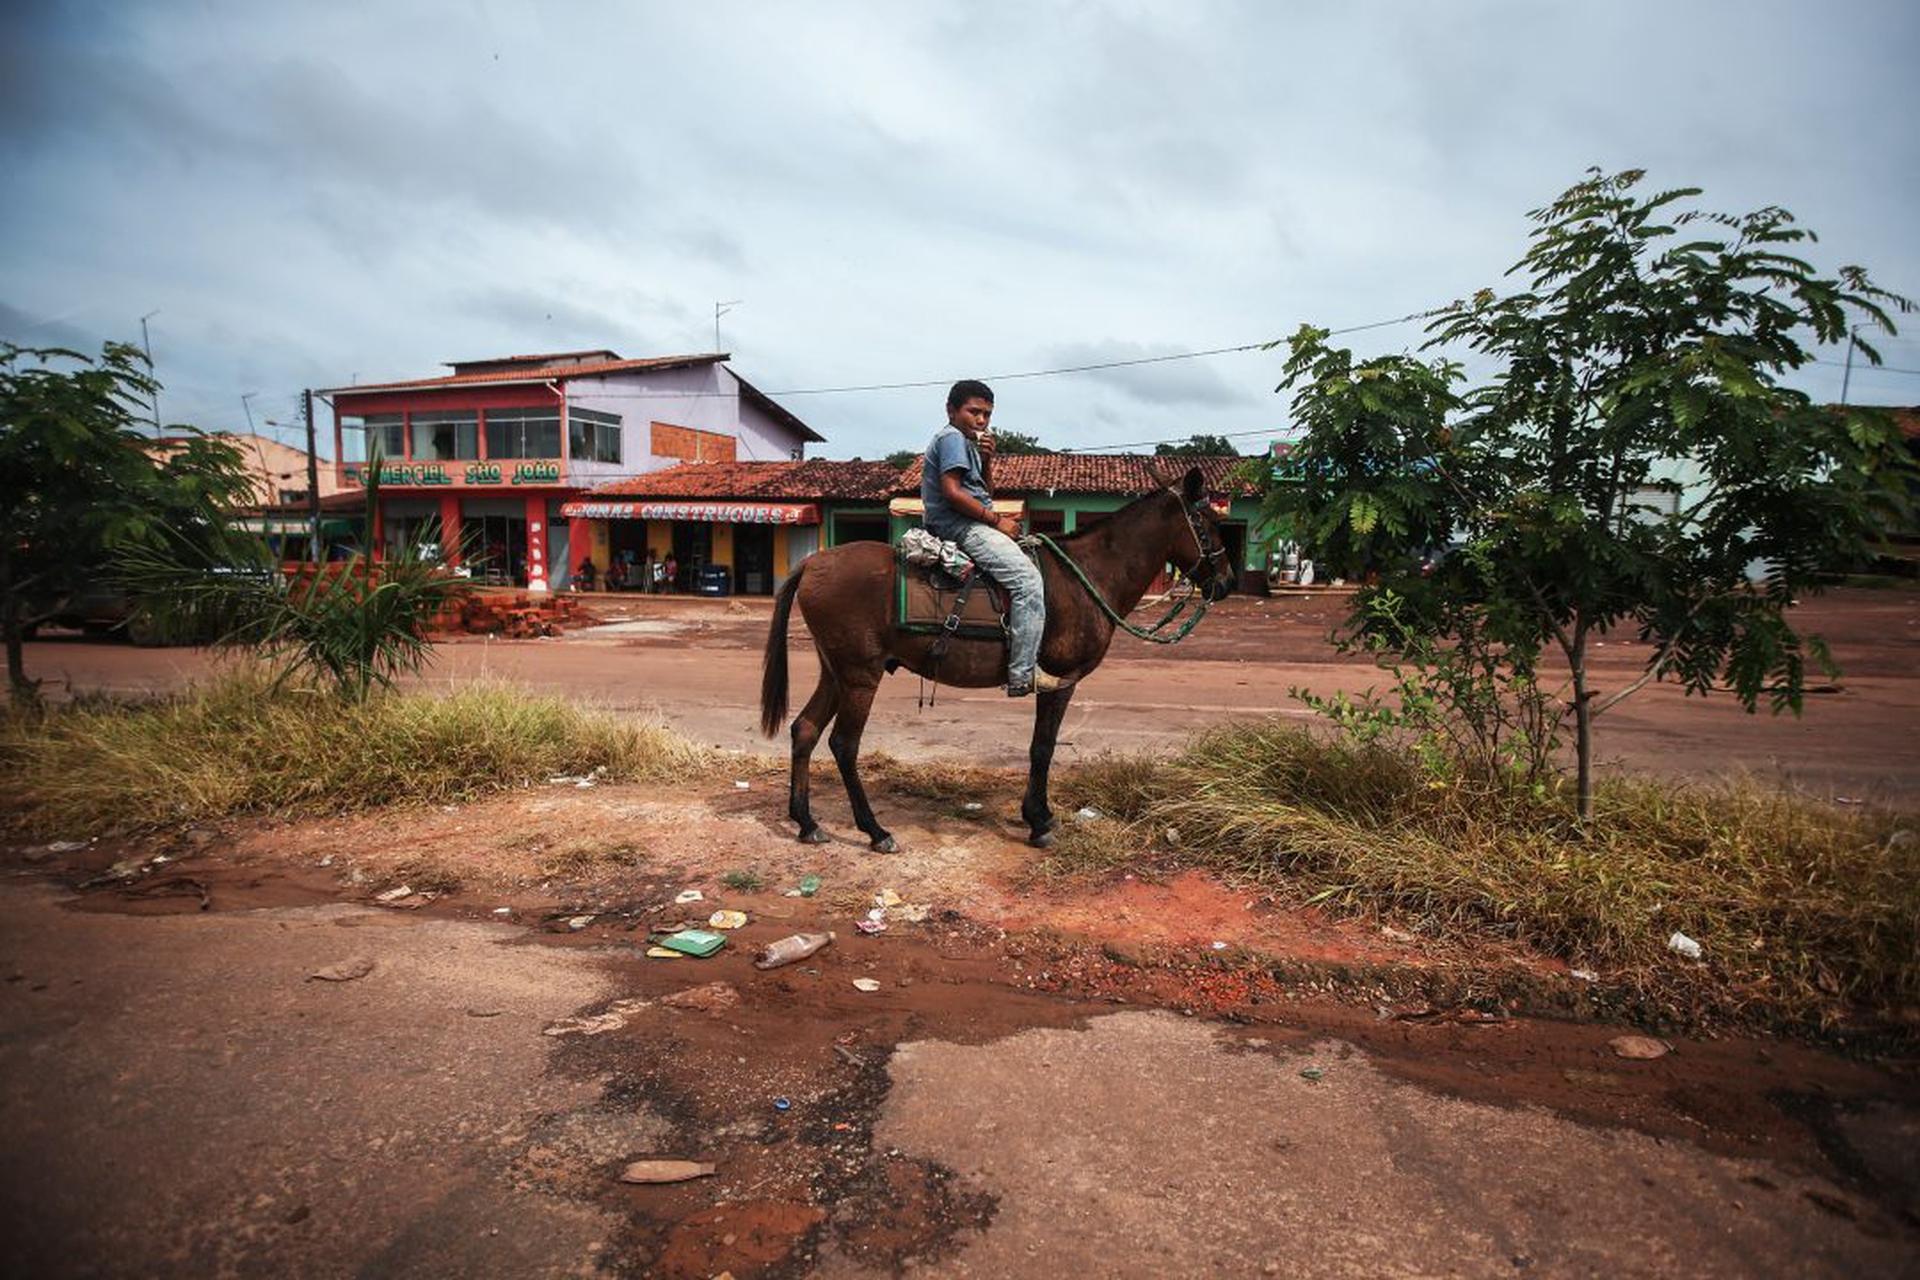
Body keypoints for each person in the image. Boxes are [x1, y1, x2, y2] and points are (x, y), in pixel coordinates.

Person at [921, 378, 1063, 696]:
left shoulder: (967, 444)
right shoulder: (951, 438)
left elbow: (984, 493)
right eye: (974, 412)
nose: (982, 420)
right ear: (951, 410)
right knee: (1028, 581)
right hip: (960, 527)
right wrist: (998, 521)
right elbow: (953, 493)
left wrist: (986, 460)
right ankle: (1022, 674)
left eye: (987, 414)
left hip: (973, 522)